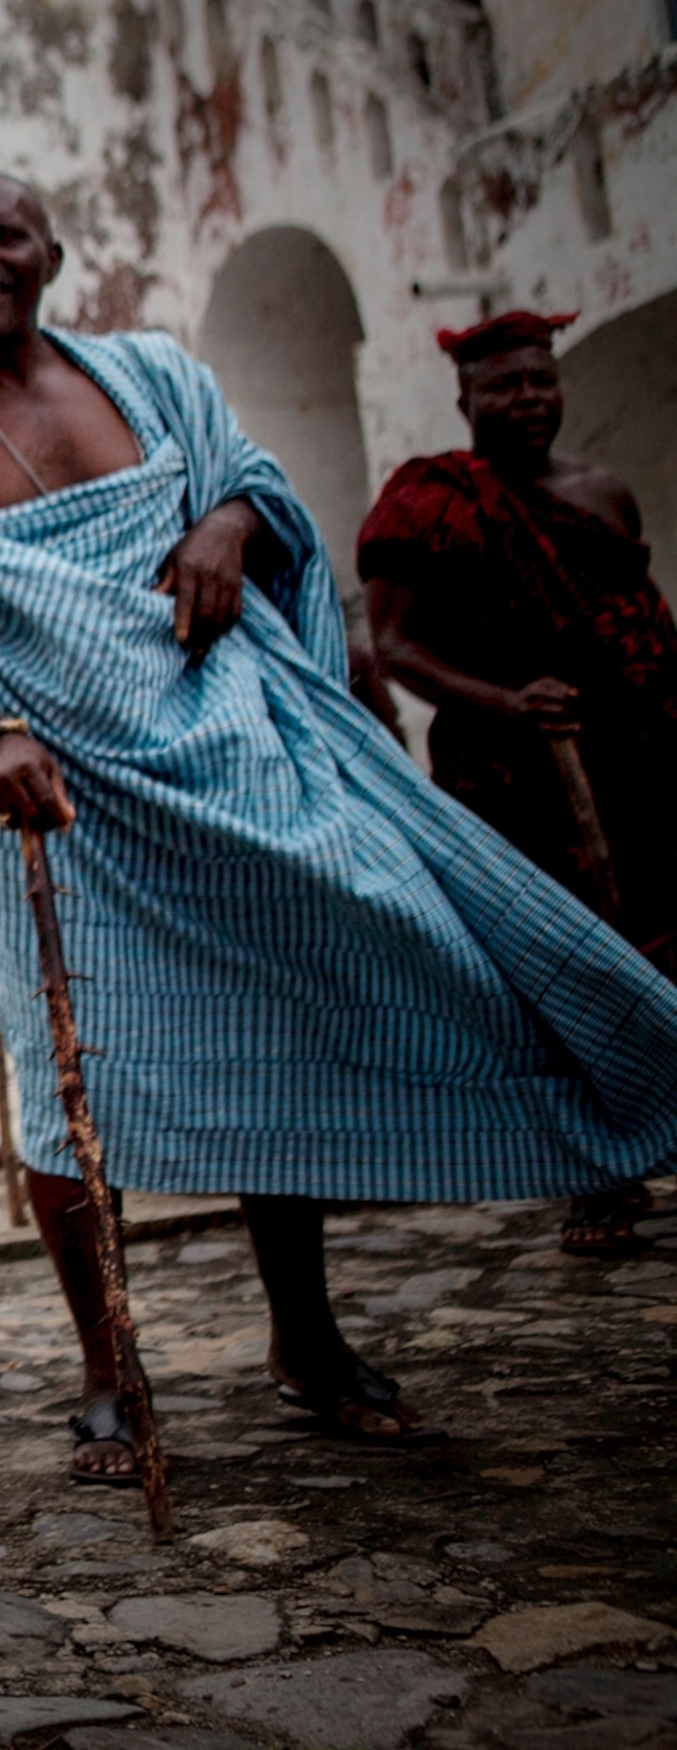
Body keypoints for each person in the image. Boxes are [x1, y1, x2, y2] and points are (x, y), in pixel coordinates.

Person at [0, 170, 677, 1484]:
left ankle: (307, 1339)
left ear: (53, 252)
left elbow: (252, 486)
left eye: (5, 235)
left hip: (212, 749)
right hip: (35, 789)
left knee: (272, 1027)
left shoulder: (150, 381)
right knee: (76, 1079)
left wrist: (227, 521)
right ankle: (109, 1368)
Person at [359, 309, 677, 1254]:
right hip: (509, 771)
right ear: (464, 398)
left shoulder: (604, 495)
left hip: (630, 757)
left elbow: (640, 622)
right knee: (564, 973)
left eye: (540, 381)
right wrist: (506, 700)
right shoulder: (430, 501)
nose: (528, 400)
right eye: (504, 386)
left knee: (657, 943)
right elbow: (397, 645)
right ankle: (598, 1174)